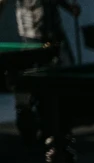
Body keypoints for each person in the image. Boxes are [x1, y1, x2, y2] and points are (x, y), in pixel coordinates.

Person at [0, 0, 80, 139]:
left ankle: (56, 118)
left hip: (54, 32)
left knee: (65, 70)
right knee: (32, 77)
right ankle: (29, 117)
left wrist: (69, 7)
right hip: (32, 34)